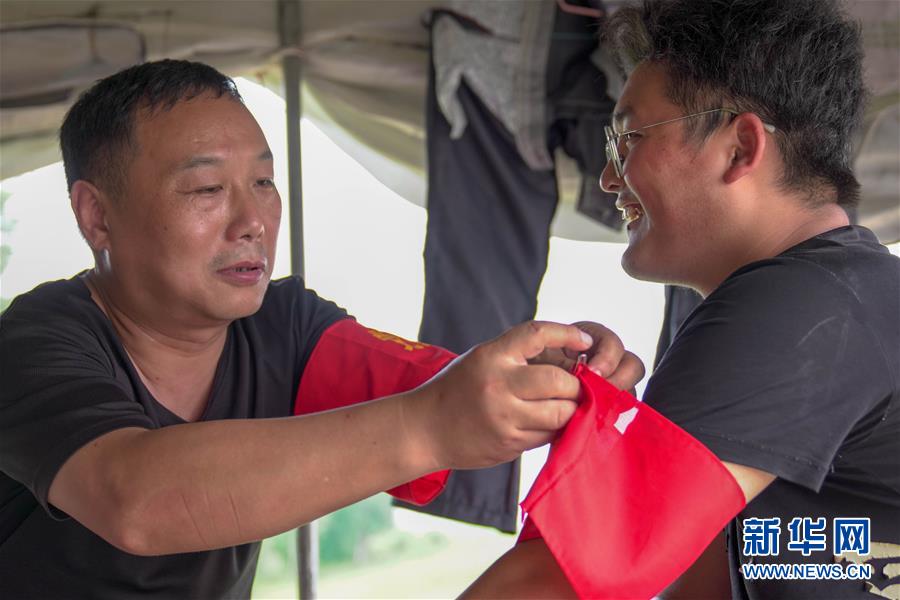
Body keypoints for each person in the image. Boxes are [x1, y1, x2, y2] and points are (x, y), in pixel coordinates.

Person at [0, 60, 645, 598]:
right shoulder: (34, 342)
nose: (252, 219)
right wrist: (430, 422)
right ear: (96, 216)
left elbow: (442, 387)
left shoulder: (283, 327)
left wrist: (554, 371)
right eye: (205, 189)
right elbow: (136, 500)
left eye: (264, 181)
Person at [464, 0, 900, 598]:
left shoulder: (793, 306)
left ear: (741, 148)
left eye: (627, 139)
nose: (608, 179)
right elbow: (693, 582)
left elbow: (572, 578)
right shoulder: (844, 295)